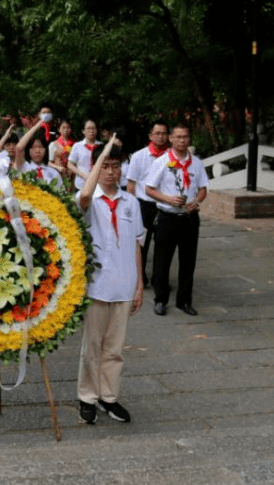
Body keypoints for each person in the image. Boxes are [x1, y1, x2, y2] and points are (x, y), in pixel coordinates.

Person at [76, 136, 144, 425]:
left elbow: (137, 244)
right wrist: (101, 153)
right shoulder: (89, 201)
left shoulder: (131, 202)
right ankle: (87, 396)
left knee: (115, 348)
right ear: (96, 169)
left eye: (116, 166)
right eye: (106, 166)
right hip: (97, 284)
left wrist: (139, 283)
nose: (112, 172)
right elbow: (84, 197)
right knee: (92, 345)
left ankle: (109, 396)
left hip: (124, 284)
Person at [144, 124, 208, 317]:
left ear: (189, 139)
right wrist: (168, 199)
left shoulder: (196, 163)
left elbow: (203, 188)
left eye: (185, 137)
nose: (182, 141)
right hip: (167, 217)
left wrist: (197, 201)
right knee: (162, 261)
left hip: (189, 218)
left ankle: (184, 300)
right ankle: (160, 300)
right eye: (178, 137)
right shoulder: (162, 162)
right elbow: (149, 189)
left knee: (188, 261)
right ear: (171, 138)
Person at [126, 120, 170, 287]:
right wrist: (132, 207)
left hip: (165, 206)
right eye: (157, 133)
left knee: (163, 246)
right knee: (141, 244)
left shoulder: (172, 157)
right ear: (150, 136)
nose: (160, 136)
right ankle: (139, 277)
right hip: (145, 206)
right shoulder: (139, 156)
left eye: (164, 133)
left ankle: (159, 280)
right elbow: (131, 184)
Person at [68, 119, 101, 192]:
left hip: (98, 185)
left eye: (94, 128)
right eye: (89, 128)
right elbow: (70, 164)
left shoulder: (101, 146)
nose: (91, 131)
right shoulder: (77, 146)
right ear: (83, 131)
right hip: (81, 184)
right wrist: (83, 175)